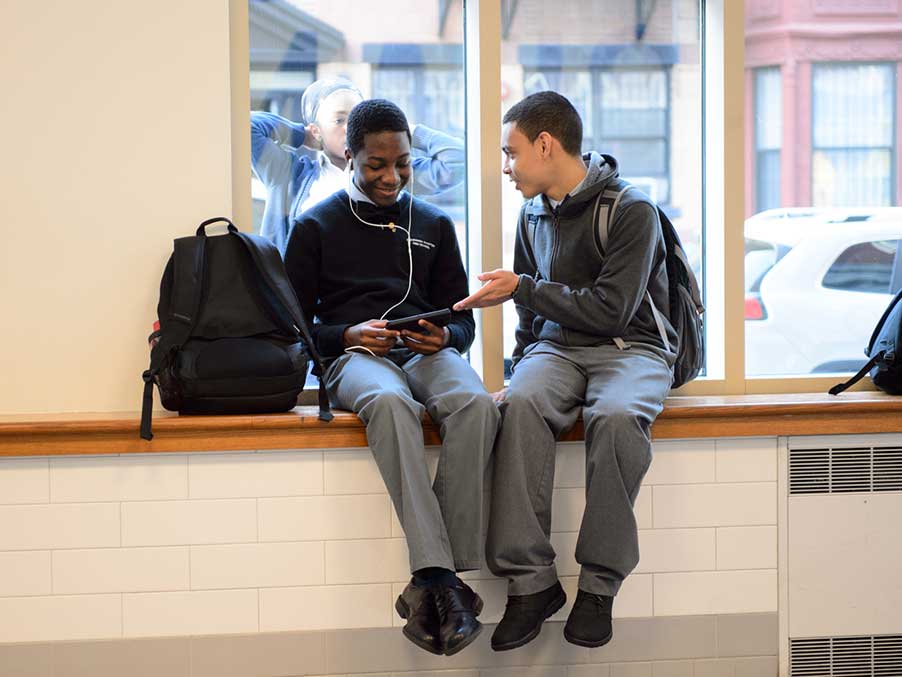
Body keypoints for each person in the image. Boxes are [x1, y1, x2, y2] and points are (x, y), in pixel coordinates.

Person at [454, 91, 676, 651]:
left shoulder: (631, 211)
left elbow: (610, 309)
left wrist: (523, 287)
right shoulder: (533, 211)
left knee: (620, 416)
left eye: (511, 153)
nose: (505, 167)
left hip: (632, 347)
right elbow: (531, 313)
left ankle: (599, 586)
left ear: (546, 145)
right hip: (557, 350)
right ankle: (532, 584)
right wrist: (520, 365)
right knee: (521, 405)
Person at [284, 99, 498, 656]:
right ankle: (439, 577)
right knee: (390, 402)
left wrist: (446, 337)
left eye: (402, 163)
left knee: (476, 404)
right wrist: (349, 336)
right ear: (348, 156)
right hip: (355, 357)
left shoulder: (432, 223)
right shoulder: (314, 226)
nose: (391, 177)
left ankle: (433, 580)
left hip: (422, 350)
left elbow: (462, 319)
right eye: (377, 164)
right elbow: (293, 328)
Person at [251, 77, 465, 251]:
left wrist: (402, 130)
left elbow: (458, 161)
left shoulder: (391, 175)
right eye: (339, 120)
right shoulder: (289, 175)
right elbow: (249, 127)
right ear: (316, 129)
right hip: (301, 299)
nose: (350, 128)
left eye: (356, 119)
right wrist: (303, 135)